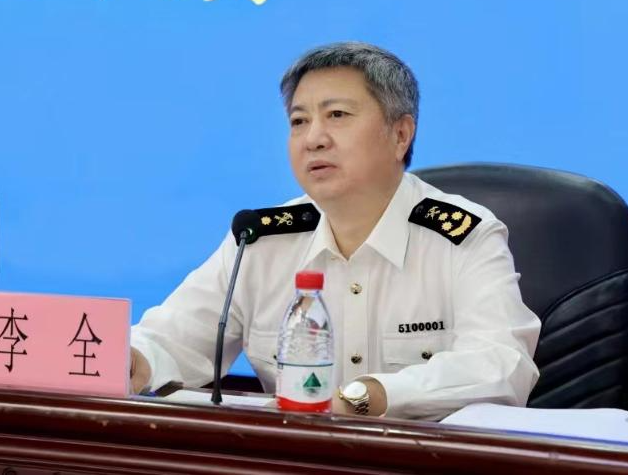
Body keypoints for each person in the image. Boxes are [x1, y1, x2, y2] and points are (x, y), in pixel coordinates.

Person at [129, 42, 540, 420]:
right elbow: (169, 340)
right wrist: (133, 361)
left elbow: (501, 366)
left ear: (400, 134)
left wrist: (366, 396)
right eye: (299, 121)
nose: (313, 139)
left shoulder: (463, 237)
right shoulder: (261, 239)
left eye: (337, 115)